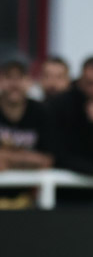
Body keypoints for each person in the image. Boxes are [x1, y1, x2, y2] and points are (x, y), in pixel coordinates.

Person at [0, 57, 54, 209]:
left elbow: (47, 160)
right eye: (9, 77)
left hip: (30, 201)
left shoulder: (41, 112)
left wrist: (7, 157)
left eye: (20, 78)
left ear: (29, 82)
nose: (14, 84)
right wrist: (27, 158)